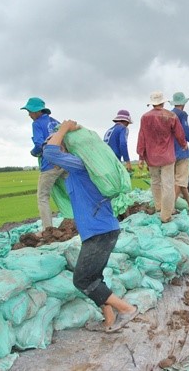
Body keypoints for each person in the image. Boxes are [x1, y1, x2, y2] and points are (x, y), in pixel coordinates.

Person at [43, 120, 138, 333]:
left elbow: (50, 153)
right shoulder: (73, 171)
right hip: (98, 231)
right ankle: (109, 320)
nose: (49, 144)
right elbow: (47, 155)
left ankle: (128, 309)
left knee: (82, 279)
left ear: (65, 147)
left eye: (55, 141)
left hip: (100, 232)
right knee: (95, 277)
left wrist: (64, 129)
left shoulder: (79, 165)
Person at [137, 91, 187, 223]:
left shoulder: (145, 117)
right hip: (167, 156)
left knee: (155, 182)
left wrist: (141, 156)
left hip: (152, 157)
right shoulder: (171, 116)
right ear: (163, 102)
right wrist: (183, 144)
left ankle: (159, 207)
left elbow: (141, 137)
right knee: (168, 185)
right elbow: (180, 134)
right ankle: (166, 215)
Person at [21, 97, 68, 229]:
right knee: (71, 192)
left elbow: (39, 144)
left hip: (50, 164)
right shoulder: (54, 122)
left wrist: (33, 152)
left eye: (30, 111)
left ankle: (48, 229)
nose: (29, 115)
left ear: (36, 111)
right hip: (64, 162)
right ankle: (77, 219)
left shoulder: (36, 124)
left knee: (42, 197)